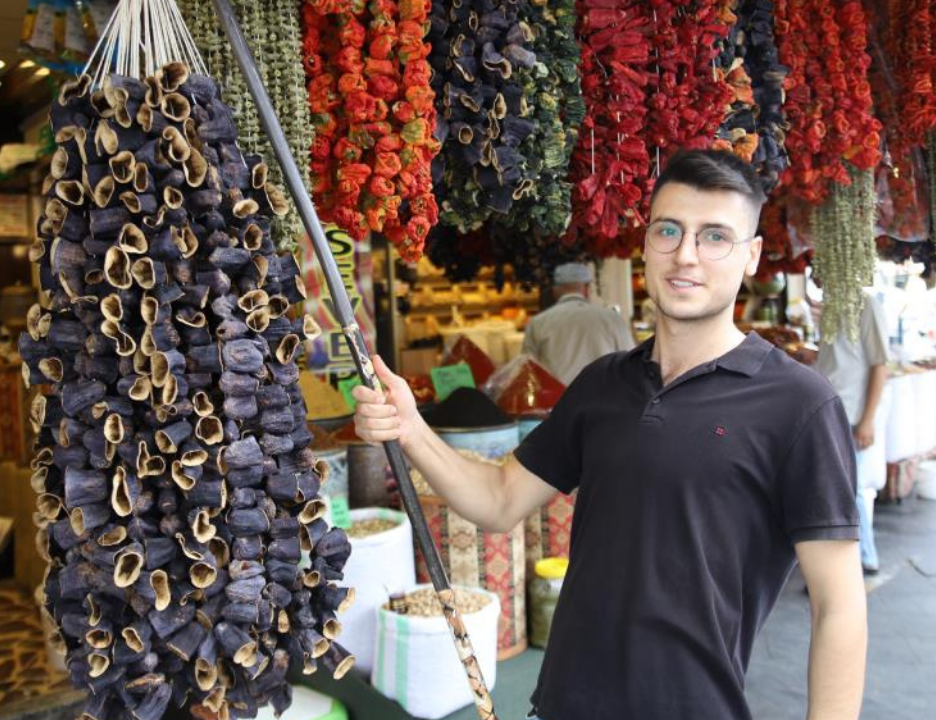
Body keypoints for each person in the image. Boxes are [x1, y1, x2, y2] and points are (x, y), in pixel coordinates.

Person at [353, 150, 866, 720]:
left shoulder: (798, 404)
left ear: (751, 257)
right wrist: (410, 429)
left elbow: (838, 604)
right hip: (566, 703)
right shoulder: (602, 385)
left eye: (714, 236)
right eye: (668, 230)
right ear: (645, 243)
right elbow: (499, 501)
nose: (686, 255)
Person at [815, 290, 891, 576]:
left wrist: (868, 419)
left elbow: (879, 365)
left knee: (848, 491)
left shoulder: (867, 305)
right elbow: (837, 361)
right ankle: (848, 561)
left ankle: (864, 557)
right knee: (834, 490)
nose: (814, 273)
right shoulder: (832, 302)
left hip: (851, 413)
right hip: (826, 409)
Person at [520, 262, 635, 384]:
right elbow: (631, 363)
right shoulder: (612, 318)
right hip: (604, 397)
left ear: (554, 290)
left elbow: (527, 369)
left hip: (560, 400)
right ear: (586, 288)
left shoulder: (537, 323)